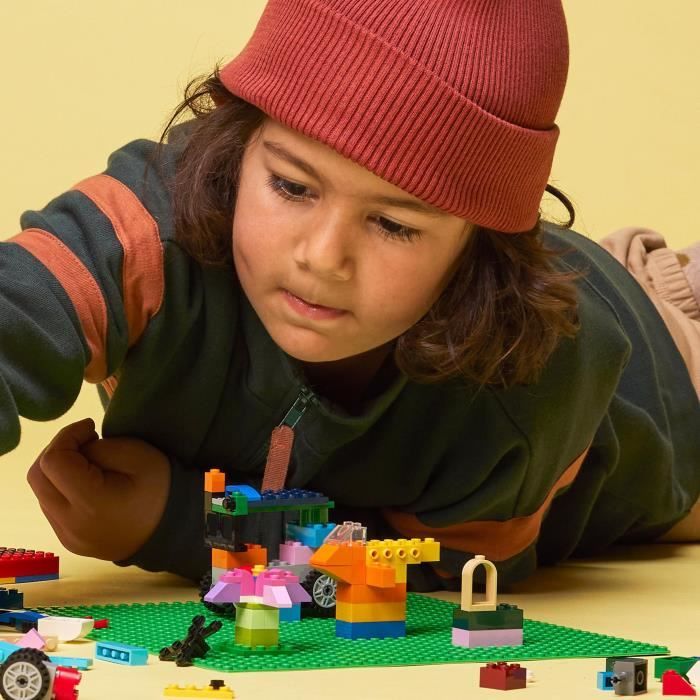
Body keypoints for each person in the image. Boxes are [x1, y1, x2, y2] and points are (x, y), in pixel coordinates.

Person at [3, 0, 698, 591]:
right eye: (291, 185)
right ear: (236, 142)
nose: (322, 257)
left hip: (669, 371)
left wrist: (186, 525)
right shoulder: (146, 232)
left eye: (393, 224)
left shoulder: (526, 379)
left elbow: (440, 573)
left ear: (479, 249)